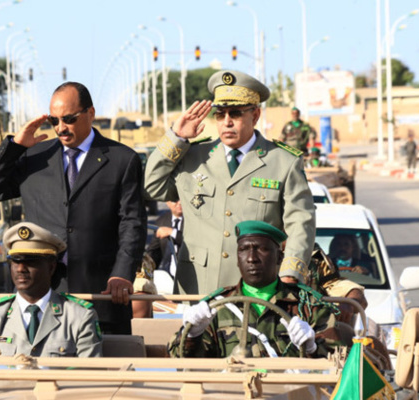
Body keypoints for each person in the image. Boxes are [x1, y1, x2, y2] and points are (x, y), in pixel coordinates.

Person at [0, 82, 147, 334]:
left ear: (90, 113)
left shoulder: (122, 159)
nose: (60, 128)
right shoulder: (33, 157)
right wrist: (14, 146)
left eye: (68, 119)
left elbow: (132, 222)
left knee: (107, 370)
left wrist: (122, 274)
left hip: (101, 294)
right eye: (53, 121)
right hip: (43, 294)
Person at [144, 70, 315, 295]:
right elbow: (152, 186)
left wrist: (290, 272)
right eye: (219, 114)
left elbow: (301, 222)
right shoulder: (193, 157)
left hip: (257, 291)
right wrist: (177, 136)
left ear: (255, 115)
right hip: (198, 289)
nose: (226, 122)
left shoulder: (283, 161)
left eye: (235, 113)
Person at [168, 221, 344, 358]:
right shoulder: (217, 307)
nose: (252, 258)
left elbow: (338, 361)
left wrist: (312, 348)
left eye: (262, 249)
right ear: (237, 259)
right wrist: (191, 335)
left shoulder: (307, 305)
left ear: (279, 258)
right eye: (244, 250)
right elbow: (179, 361)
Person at [0, 222, 103, 357]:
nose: (20, 269)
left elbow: (90, 373)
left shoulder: (79, 317)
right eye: (16, 261)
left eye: (30, 261)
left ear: (51, 267)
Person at [146, 200, 183, 279]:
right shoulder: (161, 221)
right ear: (167, 202)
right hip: (167, 274)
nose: (179, 202)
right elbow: (154, 251)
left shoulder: (195, 222)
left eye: (182, 199)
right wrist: (146, 267)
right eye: (175, 200)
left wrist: (173, 233)